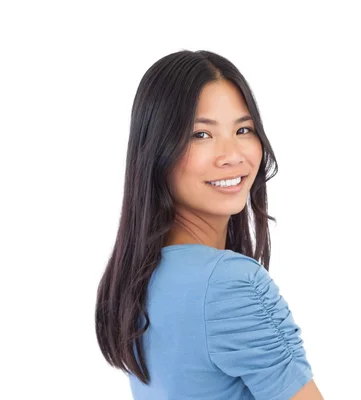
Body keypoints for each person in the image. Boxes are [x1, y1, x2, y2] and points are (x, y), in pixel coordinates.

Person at [95, 49, 323, 400]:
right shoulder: (231, 284)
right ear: (158, 150)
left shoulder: (138, 278)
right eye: (201, 134)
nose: (232, 154)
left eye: (243, 129)